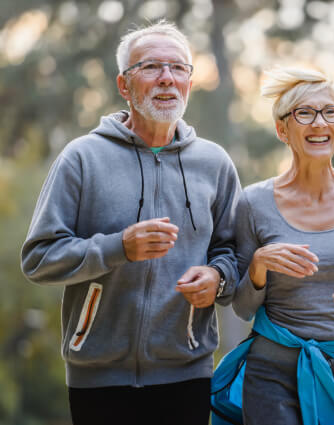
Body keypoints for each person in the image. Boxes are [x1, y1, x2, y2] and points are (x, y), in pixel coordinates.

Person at [21, 20, 241, 425]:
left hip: (187, 370)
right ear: (124, 85)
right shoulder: (82, 157)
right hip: (97, 376)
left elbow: (235, 253)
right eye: (151, 67)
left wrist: (218, 278)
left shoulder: (214, 163)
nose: (167, 79)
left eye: (178, 68)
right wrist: (117, 247)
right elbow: (38, 258)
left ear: (190, 82)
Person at [211, 67, 334, 425]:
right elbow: (241, 307)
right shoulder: (254, 202)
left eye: (330, 111)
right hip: (271, 370)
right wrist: (258, 266)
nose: (319, 123)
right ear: (282, 129)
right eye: (304, 113)